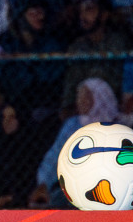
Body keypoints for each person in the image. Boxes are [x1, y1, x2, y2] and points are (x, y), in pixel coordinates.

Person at [31, 77, 121, 207]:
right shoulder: (72, 124)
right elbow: (56, 154)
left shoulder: (117, 127)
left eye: (86, 97)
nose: (80, 102)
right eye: (79, 97)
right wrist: (44, 182)